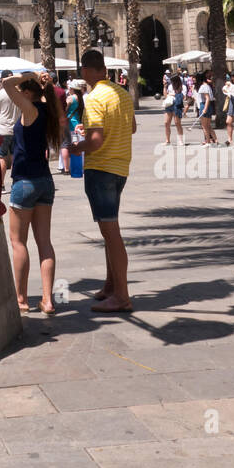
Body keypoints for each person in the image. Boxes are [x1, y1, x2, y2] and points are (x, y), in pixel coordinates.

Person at [70, 48, 136, 314]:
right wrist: (93, 130)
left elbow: (95, 142)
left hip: (102, 168)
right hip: (121, 166)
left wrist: (77, 148)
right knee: (110, 232)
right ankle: (111, 285)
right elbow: (130, 127)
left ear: (86, 70)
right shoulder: (121, 92)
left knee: (111, 233)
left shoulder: (95, 97)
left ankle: (122, 295)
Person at [0, 72, 65, 315]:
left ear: (26, 93)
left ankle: (21, 298)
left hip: (25, 181)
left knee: (18, 242)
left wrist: (30, 75)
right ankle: (48, 300)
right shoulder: (48, 108)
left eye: (22, 91)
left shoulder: (30, 110)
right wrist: (39, 81)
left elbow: (6, 83)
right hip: (45, 181)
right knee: (44, 242)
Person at [0, 70, 21, 190]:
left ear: (2, 80)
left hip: (3, 129)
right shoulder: (19, 93)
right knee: (15, 157)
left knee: (1, 157)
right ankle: (15, 182)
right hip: (17, 129)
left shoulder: (0, 94)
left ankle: (1, 184)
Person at [195, 71, 217, 144]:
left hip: (204, 105)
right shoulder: (207, 85)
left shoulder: (203, 86)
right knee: (208, 126)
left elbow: (207, 98)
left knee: (204, 126)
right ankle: (216, 140)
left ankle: (208, 142)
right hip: (208, 106)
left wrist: (204, 109)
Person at [163, 73, 185, 143]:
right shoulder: (170, 86)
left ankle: (181, 140)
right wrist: (165, 87)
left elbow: (183, 96)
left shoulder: (183, 87)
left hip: (177, 105)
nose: (171, 82)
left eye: (172, 81)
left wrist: (173, 94)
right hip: (169, 104)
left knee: (177, 123)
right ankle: (167, 140)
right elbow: (166, 95)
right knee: (166, 123)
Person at [222, 71, 234, 145]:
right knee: (228, 121)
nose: (232, 78)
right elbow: (223, 89)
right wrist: (227, 90)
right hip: (232, 101)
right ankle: (229, 139)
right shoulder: (230, 84)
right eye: (231, 76)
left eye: (233, 76)